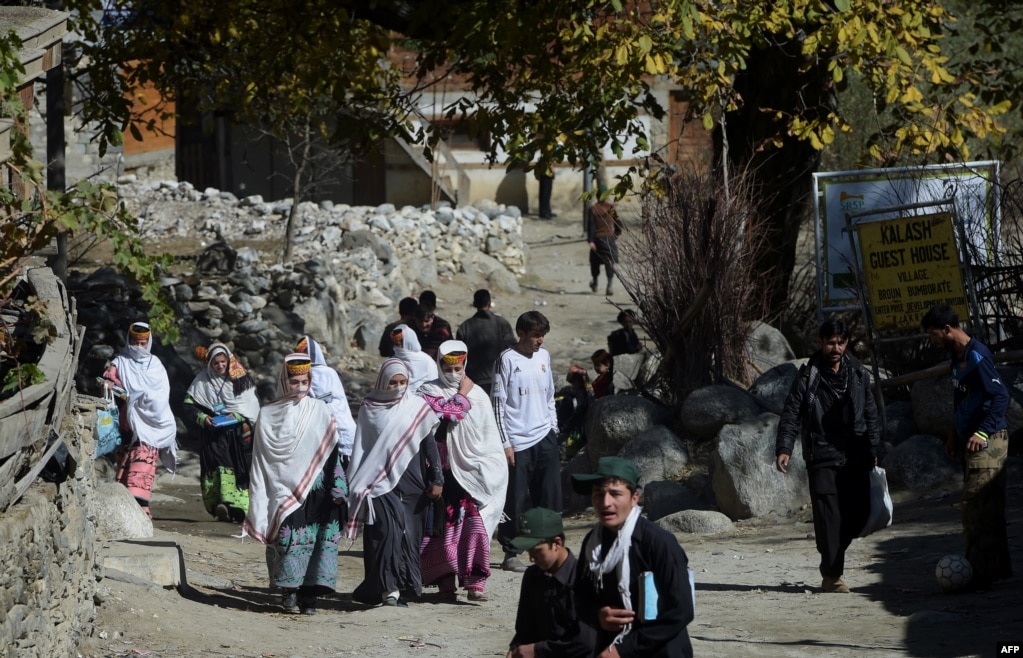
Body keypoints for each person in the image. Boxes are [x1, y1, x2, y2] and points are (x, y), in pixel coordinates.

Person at [775, 318, 880, 593]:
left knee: (860, 515)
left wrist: (873, 447)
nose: (836, 347)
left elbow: (870, 413)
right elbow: (791, 414)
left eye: (841, 342)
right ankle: (832, 575)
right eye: (830, 342)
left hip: (855, 455)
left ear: (846, 343)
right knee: (828, 517)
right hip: (822, 457)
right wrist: (784, 448)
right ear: (820, 342)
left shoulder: (858, 374)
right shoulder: (808, 376)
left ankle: (830, 547)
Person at [243, 353, 346, 615]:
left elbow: (332, 451)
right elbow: (262, 460)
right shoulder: (267, 415)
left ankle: (309, 598)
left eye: (305, 381)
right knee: (288, 538)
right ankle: (289, 592)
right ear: (283, 381)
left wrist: (339, 487)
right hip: (283, 488)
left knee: (318, 543)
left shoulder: (320, 410)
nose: (300, 387)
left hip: (319, 488)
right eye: (294, 382)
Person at [921, 305, 1012, 589]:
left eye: (933, 334)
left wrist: (982, 433)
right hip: (969, 443)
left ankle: (978, 574)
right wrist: (953, 435)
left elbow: (1000, 396)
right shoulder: (955, 357)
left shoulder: (976, 356)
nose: (932, 341)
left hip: (989, 443)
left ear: (947, 329)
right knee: (986, 508)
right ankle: (996, 570)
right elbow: (960, 399)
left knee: (975, 508)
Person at [572, 457, 694, 658]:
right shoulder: (593, 544)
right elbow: (580, 596)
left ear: (634, 498)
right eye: (598, 494)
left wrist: (624, 649)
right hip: (611, 647)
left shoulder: (659, 543)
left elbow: (681, 610)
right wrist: (598, 615)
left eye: (615, 494)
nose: (605, 503)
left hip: (661, 651)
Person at [346, 359, 444, 608]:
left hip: (412, 481)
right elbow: (363, 446)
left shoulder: (416, 407)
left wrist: (437, 478)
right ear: (382, 382)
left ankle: (406, 586)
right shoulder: (370, 407)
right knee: (385, 533)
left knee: (409, 535)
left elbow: (428, 444)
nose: (399, 387)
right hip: (377, 482)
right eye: (393, 382)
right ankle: (386, 589)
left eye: (403, 382)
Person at [418, 340, 509, 602]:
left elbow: (487, 438)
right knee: (440, 530)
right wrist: (464, 392)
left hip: (470, 475)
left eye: (459, 368)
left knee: (474, 526)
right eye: (449, 367)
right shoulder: (427, 390)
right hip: (439, 472)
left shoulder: (479, 395)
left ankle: (474, 583)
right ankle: (445, 583)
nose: (454, 373)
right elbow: (447, 415)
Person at [493, 311, 561, 573]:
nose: (540, 341)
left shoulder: (544, 357)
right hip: (518, 442)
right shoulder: (506, 360)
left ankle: (550, 547)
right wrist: (505, 442)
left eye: (543, 335)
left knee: (550, 497)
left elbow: (549, 396)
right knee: (516, 500)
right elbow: (498, 403)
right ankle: (511, 553)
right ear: (521, 334)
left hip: (545, 436)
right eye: (535, 335)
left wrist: (553, 429)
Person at [101, 322, 178, 518]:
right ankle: (123, 507)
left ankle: (140, 506)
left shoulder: (156, 365)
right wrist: (111, 384)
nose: (139, 347)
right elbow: (110, 382)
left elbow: (161, 395)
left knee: (144, 461)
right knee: (126, 460)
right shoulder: (120, 363)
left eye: (143, 343)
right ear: (129, 341)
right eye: (135, 343)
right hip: (129, 421)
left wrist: (142, 396)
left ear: (149, 342)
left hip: (152, 422)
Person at [183, 342, 260, 522]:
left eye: (223, 362)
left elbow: (251, 407)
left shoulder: (240, 379)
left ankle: (239, 508)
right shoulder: (202, 381)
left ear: (229, 361)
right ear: (210, 363)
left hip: (235, 435)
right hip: (213, 435)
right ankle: (222, 504)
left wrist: (239, 417)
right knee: (217, 466)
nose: (220, 366)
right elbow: (188, 405)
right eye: (216, 363)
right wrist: (203, 418)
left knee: (236, 467)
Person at [506, 507, 597, 658]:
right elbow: (524, 629)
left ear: (557, 543)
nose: (532, 559)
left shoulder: (584, 579)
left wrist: (536, 650)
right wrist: (515, 647)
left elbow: (586, 643)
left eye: (537, 551)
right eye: (529, 552)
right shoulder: (532, 576)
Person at [295, 335, 357, 465]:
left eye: (305, 353)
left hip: (341, 428)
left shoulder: (328, 373)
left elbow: (338, 402)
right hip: (317, 435)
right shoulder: (298, 377)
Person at [455, 289, 517, 396]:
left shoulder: (465, 327)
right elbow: (513, 350)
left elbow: (459, 357)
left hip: (474, 383)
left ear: (474, 304)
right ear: (489, 303)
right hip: (499, 379)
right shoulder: (501, 324)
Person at [586, 189, 622, 295]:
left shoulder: (592, 209)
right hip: (609, 239)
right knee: (609, 262)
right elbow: (619, 224)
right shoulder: (611, 208)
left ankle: (595, 282)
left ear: (597, 196)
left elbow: (591, 226)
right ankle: (609, 285)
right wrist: (615, 235)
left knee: (594, 262)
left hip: (597, 239)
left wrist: (591, 241)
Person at [391, 323, 439, 392]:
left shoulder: (426, 360)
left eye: (401, 342)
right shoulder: (393, 361)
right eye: (396, 343)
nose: (398, 346)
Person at [417, 290, 453, 358]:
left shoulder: (441, 327)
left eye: (426, 321)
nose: (423, 325)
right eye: (420, 321)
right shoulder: (413, 325)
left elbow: (430, 355)